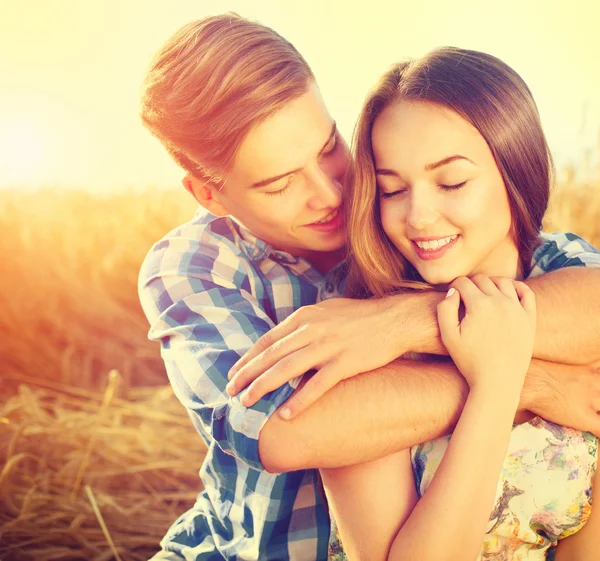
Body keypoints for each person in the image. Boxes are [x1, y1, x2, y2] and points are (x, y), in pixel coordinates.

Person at [138, 14, 600, 561]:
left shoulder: (427, 239)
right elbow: (286, 430)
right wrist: (520, 379)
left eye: (329, 146)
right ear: (210, 196)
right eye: (280, 183)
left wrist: (400, 325)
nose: (330, 194)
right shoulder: (197, 268)